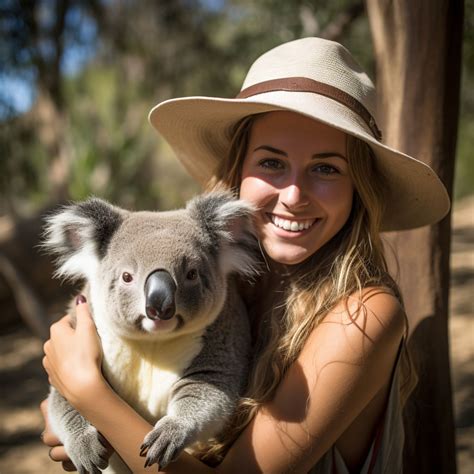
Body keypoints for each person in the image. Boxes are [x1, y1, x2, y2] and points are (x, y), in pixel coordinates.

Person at [41, 37, 450, 473]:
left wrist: (89, 393)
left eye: (326, 168)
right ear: (238, 170)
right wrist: (73, 421)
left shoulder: (364, 316)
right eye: (272, 163)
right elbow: (66, 416)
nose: (294, 195)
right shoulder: (218, 280)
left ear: (359, 188)